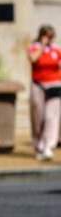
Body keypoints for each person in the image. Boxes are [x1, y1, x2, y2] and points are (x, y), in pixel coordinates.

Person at [27, 24, 61, 162]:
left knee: (51, 116)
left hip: (55, 86)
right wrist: (42, 46)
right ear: (41, 35)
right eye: (47, 36)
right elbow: (33, 59)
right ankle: (39, 144)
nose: (50, 39)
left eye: (52, 36)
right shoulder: (33, 48)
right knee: (38, 116)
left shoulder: (57, 50)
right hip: (38, 85)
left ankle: (48, 145)